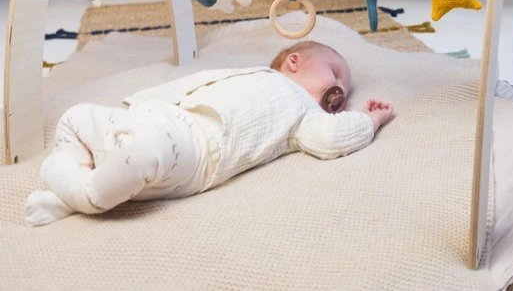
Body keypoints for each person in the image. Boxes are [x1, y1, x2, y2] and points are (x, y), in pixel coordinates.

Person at [24, 41, 394, 227]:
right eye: (335, 73)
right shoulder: (255, 74)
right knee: (76, 117)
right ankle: (77, 181)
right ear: (294, 62)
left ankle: (80, 194)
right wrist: (140, 105)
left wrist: (369, 121)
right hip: (164, 116)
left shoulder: (304, 113)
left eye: (346, 88)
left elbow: (331, 139)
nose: (342, 90)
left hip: (196, 151)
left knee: (144, 153)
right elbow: (198, 82)